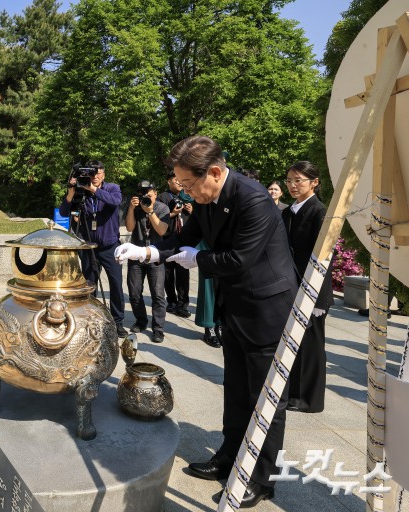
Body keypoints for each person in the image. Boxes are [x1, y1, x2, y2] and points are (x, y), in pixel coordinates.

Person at [115, 135, 297, 508]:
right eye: (181, 184)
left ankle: (261, 479)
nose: (186, 192)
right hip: (236, 304)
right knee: (234, 387)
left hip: (267, 308)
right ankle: (229, 458)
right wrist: (146, 251)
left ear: (214, 171)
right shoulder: (207, 197)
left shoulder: (253, 199)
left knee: (264, 397)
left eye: (190, 184)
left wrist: (196, 261)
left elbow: (239, 258)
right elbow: (185, 237)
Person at [282, 161, 333, 413]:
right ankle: (293, 393)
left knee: (312, 347)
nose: (292, 185)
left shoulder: (319, 211)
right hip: (291, 287)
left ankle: (310, 399)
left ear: (314, 183)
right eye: (289, 180)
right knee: (294, 344)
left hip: (313, 290)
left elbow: (326, 258)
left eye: (298, 180)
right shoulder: (288, 212)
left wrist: (320, 300)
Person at [59, 160, 127, 337]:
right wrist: (71, 192)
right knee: (89, 285)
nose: (95, 176)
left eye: (98, 173)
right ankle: (91, 319)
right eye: (92, 173)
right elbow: (64, 212)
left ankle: (118, 321)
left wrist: (93, 189)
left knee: (116, 285)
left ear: (104, 174)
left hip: (110, 246)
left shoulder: (112, 188)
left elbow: (115, 201)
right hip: (89, 247)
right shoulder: (81, 190)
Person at [124, 180, 170, 342]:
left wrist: (150, 212)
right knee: (134, 292)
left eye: (149, 195)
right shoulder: (135, 207)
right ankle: (141, 320)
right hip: (136, 255)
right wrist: (131, 208)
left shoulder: (162, 208)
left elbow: (162, 230)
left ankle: (158, 329)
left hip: (156, 255)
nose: (146, 198)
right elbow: (129, 228)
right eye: (144, 195)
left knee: (158, 295)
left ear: (156, 194)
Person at [158, 170, 193, 318]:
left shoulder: (188, 195)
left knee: (183, 273)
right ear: (168, 181)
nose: (178, 182)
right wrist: (172, 213)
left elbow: (197, 221)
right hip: (168, 239)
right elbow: (159, 218)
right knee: (167, 273)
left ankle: (183, 304)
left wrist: (192, 211)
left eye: (180, 179)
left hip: (184, 239)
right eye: (175, 179)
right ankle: (171, 301)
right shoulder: (163, 197)